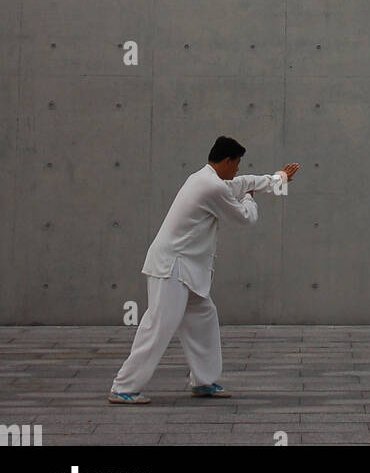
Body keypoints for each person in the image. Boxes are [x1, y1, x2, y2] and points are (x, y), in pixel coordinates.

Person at [108, 136, 299, 403]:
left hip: (184, 269)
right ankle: (124, 387)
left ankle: (204, 381)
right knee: (159, 326)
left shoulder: (204, 179)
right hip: (171, 268)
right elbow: (245, 218)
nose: (238, 170)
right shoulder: (211, 187)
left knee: (203, 318)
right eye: (237, 164)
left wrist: (277, 179)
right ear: (227, 160)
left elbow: (242, 183)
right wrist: (249, 200)